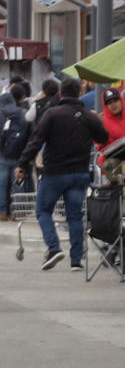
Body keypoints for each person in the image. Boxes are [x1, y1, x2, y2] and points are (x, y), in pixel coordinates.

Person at [16, 79, 106, 270]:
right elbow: (103, 137)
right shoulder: (88, 117)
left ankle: (54, 248)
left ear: (61, 94)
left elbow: (36, 141)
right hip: (80, 173)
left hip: (54, 172)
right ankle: (76, 261)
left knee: (43, 210)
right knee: (74, 216)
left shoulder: (52, 114)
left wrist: (22, 164)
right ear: (80, 93)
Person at [0, 81, 29, 220]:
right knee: (18, 182)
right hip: (20, 154)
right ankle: (19, 211)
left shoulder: (0, 113)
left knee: (1, 184)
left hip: (2, 154)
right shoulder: (23, 112)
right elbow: (30, 132)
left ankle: (2, 212)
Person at [98, 88, 125, 155]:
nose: (113, 104)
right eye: (109, 103)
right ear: (105, 106)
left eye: (115, 100)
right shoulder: (102, 122)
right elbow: (99, 147)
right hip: (109, 160)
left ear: (121, 100)